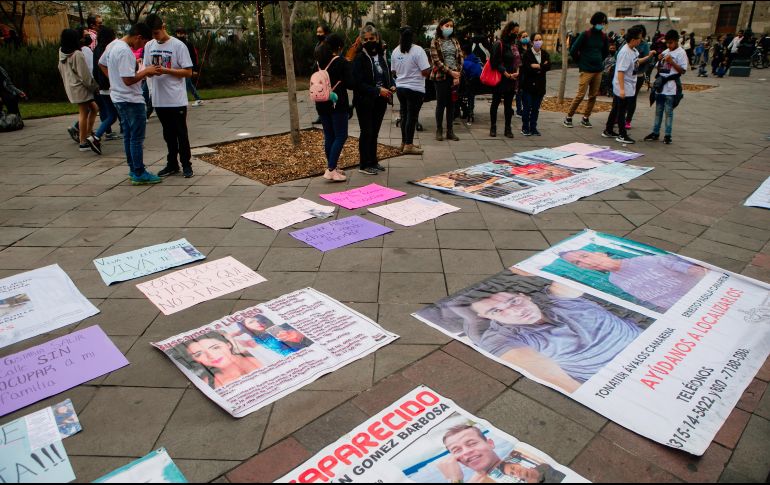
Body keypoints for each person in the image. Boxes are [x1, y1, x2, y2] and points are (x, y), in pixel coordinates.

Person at [448, 270, 644, 393]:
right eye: (496, 310)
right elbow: (561, 382)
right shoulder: (503, 338)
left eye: (514, 301)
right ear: (486, 318)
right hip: (627, 378)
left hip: (657, 344)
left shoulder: (554, 298)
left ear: (525, 296)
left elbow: (575, 272)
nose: (516, 310)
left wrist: (535, 270)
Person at [99, 21, 163, 185]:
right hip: (130, 99)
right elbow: (128, 80)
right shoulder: (125, 51)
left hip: (119, 97)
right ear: (139, 37)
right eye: (142, 43)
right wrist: (146, 71)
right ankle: (139, 172)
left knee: (128, 135)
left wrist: (114, 81)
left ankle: (133, 168)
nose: (141, 46)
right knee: (136, 138)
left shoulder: (113, 46)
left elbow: (102, 63)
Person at [558, 249, 709, 313]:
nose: (587, 262)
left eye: (584, 256)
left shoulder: (647, 260)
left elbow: (698, 272)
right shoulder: (614, 279)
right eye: (577, 263)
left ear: (601, 253)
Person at [144, 14, 195, 179]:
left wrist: (167, 70)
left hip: (176, 98)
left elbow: (188, 72)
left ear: (163, 27)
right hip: (159, 99)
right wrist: (150, 73)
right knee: (168, 134)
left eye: (157, 33)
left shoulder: (178, 45)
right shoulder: (149, 46)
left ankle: (186, 164)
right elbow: (146, 68)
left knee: (181, 133)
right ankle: (172, 163)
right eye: (152, 34)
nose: (155, 37)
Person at [437, 425, 565, 483]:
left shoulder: (525, 456)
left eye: (471, 443)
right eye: (457, 450)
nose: (467, 451)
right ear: (457, 460)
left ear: (490, 443)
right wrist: (454, 479)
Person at [352, 24, 394, 176]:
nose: (369, 41)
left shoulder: (381, 55)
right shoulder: (359, 58)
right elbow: (358, 83)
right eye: (366, 39)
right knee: (367, 131)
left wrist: (391, 85)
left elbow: (387, 74)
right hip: (365, 101)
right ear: (361, 41)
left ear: (377, 38)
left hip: (380, 100)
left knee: (375, 132)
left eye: (372, 38)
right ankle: (364, 164)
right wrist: (377, 90)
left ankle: (373, 160)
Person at [314, 33, 353, 182]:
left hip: (321, 103)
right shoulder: (341, 62)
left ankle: (332, 166)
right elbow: (350, 83)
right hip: (338, 104)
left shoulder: (318, 62)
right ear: (339, 47)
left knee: (329, 135)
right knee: (341, 135)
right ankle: (331, 169)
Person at [58, 28, 101, 155]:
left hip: (71, 86)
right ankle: (83, 142)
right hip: (80, 87)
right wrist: (94, 87)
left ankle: (88, 134)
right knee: (84, 112)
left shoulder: (61, 52)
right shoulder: (77, 54)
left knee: (94, 108)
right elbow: (85, 75)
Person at [563, 11, 609, 129]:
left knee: (593, 95)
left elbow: (605, 52)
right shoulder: (585, 34)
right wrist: (581, 62)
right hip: (586, 69)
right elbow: (573, 50)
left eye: (604, 22)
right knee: (580, 95)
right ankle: (569, 117)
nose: (602, 24)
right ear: (595, 22)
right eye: (600, 22)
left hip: (598, 69)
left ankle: (586, 117)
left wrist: (599, 60)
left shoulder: (604, 37)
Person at [644, 29, 688, 145]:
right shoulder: (665, 51)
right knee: (658, 111)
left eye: (671, 43)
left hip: (671, 87)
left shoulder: (681, 53)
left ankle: (668, 135)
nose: (669, 45)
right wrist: (659, 60)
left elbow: (682, 70)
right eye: (667, 43)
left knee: (668, 112)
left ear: (676, 41)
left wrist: (672, 62)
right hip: (661, 86)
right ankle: (655, 132)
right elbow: (659, 68)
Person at [391, 26, 430, 155]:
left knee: (404, 115)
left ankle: (404, 142)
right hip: (415, 88)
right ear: (413, 36)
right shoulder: (418, 51)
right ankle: (409, 144)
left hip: (401, 88)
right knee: (411, 117)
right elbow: (425, 71)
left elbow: (393, 72)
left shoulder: (396, 51)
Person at [602, 25, 643, 144]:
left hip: (628, 84)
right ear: (634, 39)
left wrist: (648, 57)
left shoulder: (633, 50)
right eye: (639, 38)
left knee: (616, 109)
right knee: (621, 110)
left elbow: (635, 62)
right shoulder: (625, 52)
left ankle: (608, 130)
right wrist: (622, 90)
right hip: (623, 85)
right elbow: (620, 72)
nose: (641, 40)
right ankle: (622, 134)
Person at [179, 332, 262, 390]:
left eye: (215, 348)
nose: (211, 355)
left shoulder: (254, 361)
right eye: (198, 354)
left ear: (228, 345)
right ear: (194, 360)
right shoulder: (207, 381)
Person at [430, 18, 463, 142]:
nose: (449, 27)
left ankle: (450, 131)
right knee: (441, 104)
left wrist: (457, 74)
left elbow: (460, 57)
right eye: (447, 25)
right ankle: (439, 130)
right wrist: (451, 72)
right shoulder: (435, 41)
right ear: (441, 26)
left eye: (451, 26)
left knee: (451, 104)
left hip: (455, 77)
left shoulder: (455, 41)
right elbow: (436, 61)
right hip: (441, 77)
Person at [489, 21, 521, 139]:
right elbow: (494, 63)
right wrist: (506, 73)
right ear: (508, 31)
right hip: (500, 79)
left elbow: (517, 60)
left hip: (511, 79)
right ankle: (493, 127)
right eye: (514, 32)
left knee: (508, 105)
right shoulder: (499, 44)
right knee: (495, 103)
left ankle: (508, 128)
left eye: (517, 33)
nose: (516, 35)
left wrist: (517, 72)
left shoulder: (514, 45)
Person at [624, 25, 656, 130]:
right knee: (622, 99)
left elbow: (646, 61)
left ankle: (628, 120)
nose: (639, 39)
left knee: (632, 98)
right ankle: (619, 117)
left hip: (638, 75)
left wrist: (639, 63)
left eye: (640, 36)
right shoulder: (626, 46)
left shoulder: (644, 45)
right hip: (626, 75)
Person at [92, 27, 120, 145]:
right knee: (116, 114)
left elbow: (95, 69)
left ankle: (98, 135)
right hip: (110, 86)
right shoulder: (108, 50)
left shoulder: (97, 49)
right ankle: (96, 136)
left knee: (110, 113)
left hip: (103, 86)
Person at [519, 33, 550, 137]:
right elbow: (527, 68)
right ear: (532, 42)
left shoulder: (545, 54)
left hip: (540, 86)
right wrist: (541, 67)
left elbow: (548, 66)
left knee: (536, 109)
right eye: (536, 40)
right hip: (528, 85)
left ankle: (533, 128)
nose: (539, 41)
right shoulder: (527, 54)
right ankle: (525, 127)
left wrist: (537, 66)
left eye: (540, 39)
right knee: (527, 108)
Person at [175, 28, 203, 106]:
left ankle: (197, 98)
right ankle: (197, 98)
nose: (180, 34)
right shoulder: (175, 43)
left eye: (182, 33)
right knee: (186, 84)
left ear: (185, 34)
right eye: (179, 33)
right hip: (178, 67)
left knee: (187, 84)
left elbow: (194, 56)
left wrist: (194, 69)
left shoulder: (188, 44)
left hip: (187, 66)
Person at [311, 23, 331, 124]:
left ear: (326, 33)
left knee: (325, 94)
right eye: (317, 32)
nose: (318, 34)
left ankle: (325, 114)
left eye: (320, 32)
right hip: (317, 73)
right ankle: (321, 115)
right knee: (317, 93)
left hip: (325, 73)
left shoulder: (328, 45)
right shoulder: (318, 44)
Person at [460, 43, 482, 124]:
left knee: (457, 95)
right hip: (477, 85)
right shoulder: (476, 59)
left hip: (467, 85)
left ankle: (465, 110)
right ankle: (470, 111)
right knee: (470, 95)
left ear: (464, 52)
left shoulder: (465, 63)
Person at [514, 31, 530, 117]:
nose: (526, 38)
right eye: (523, 37)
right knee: (519, 91)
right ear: (519, 38)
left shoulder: (530, 47)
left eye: (527, 36)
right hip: (521, 72)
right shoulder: (518, 49)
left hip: (528, 72)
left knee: (526, 91)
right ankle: (518, 110)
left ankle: (525, 109)